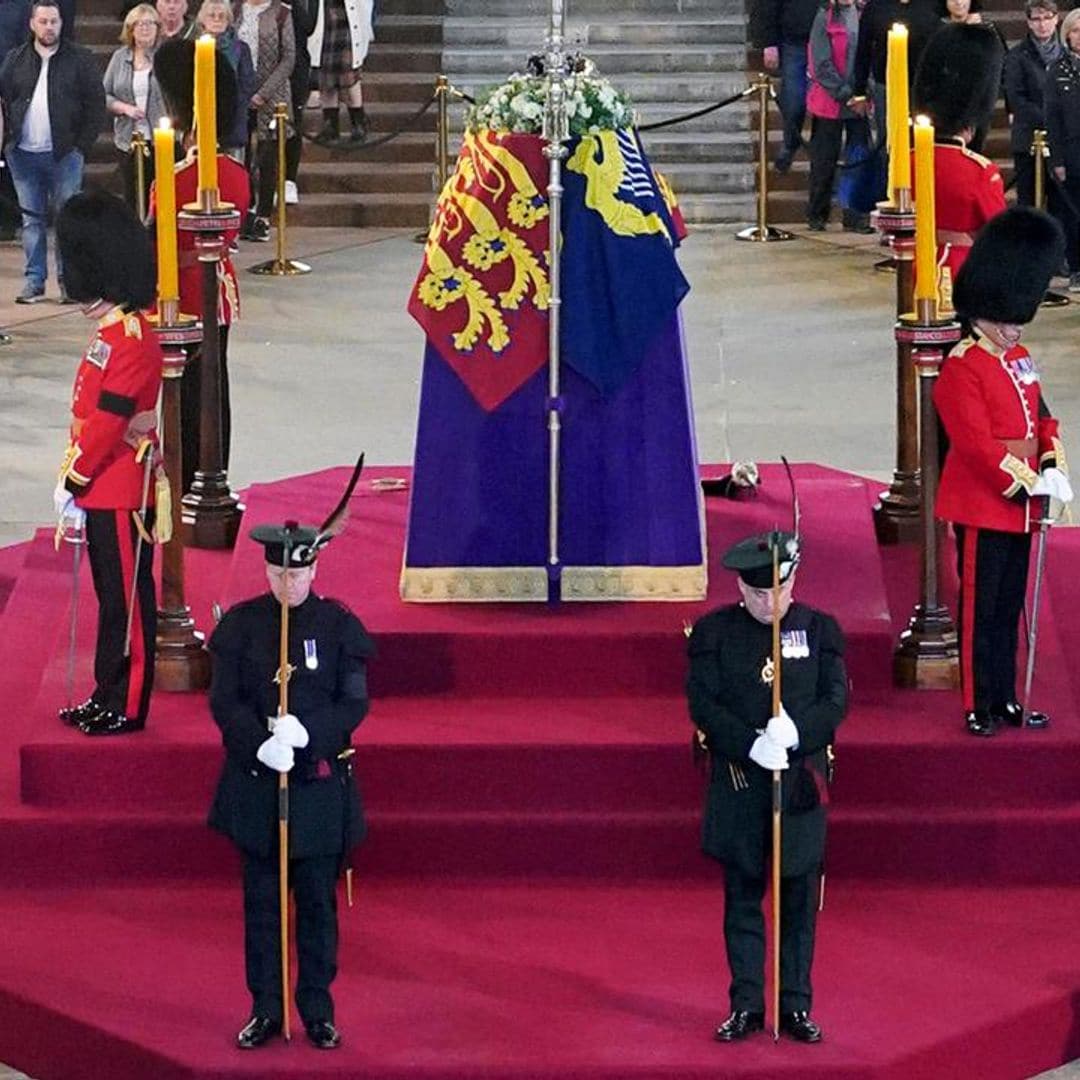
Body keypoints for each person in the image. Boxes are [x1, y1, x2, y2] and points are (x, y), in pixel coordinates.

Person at [208, 519, 375, 1050]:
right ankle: (265, 1007)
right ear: (267, 570)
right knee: (262, 907)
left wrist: (312, 734)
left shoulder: (337, 626)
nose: (289, 585)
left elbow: (354, 702)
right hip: (259, 787)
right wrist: (258, 741)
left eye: (298, 574)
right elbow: (224, 701)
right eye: (280, 574)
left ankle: (318, 1010)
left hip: (317, 793)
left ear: (313, 569)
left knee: (318, 910)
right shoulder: (240, 627)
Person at [686, 531, 846, 1044]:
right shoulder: (713, 634)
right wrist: (749, 743)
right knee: (742, 899)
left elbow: (836, 699)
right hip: (740, 782)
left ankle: (795, 1003)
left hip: (798, 786)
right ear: (740, 588)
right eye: (756, 595)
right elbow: (704, 705)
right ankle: (747, 1004)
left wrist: (798, 732)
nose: (767, 603)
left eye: (776, 593)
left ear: (792, 583)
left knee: (799, 902)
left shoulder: (820, 631)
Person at [935, 207, 1072, 737]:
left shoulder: (1018, 357)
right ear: (984, 312)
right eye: (1010, 317)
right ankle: (977, 702)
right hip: (984, 503)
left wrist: (1052, 463)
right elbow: (974, 445)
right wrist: (1026, 481)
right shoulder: (962, 365)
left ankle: (1006, 696)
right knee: (978, 613)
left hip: (1021, 509)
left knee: (1008, 608)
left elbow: (1042, 416)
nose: (1017, 325)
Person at [53, 191, 164, 736]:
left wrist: (76, 478)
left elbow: (109, 422)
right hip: (103, 485)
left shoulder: (134, 338)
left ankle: (130, 699)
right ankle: (107, 691)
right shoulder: (113, 332)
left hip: (120, 486)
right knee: (109, 599)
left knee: (128, 603)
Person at [151, 38, 249, 491]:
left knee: (183, 394)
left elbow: (156, 242)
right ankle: (216, 473)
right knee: (217, 389)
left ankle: (186, 475)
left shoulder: (172, 181)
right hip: (220, 293)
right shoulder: (237, 175)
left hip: (180, 292)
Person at [0, 0, 105, 304]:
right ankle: (34, 282)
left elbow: (95, 105)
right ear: (32, 24)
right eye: (43, 21)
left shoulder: (80, 59)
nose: (48, 27)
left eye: (53, 21)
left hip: (64, 155)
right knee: (32, 222)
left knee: (66, 221)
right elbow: (4, 101)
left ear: (62, 23)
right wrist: (7, 141)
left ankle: (68, 283)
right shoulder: (14, 60)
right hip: (23, 154)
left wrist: (80, 146)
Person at [911, 22, 1006, 311]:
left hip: (918, 263)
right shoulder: (979, 170)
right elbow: (995, 233)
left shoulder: (910, 159)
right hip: (963, 270)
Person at [805, 0, 871, 232]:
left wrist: (862, 91)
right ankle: (817, 213)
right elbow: (820, 64)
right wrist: (845, 93)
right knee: (824, 159)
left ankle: (855, 214)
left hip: (860, 100)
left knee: (858, 158)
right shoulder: (824, 17)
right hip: (830, 99)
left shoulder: (865, 15)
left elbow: (871, 54)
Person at [235, 0, 295, 242]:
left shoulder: (281, 13)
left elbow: (288, 59)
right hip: (241, 92)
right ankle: (245, 209)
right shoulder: (235, 9)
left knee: (268, 157)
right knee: (243, 154)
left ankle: (263, 215)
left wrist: (263, 93)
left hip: (272, 94)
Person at [103, 3, 167, 216]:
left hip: (162, 139)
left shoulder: (165, 56)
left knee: (160, 196)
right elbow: (104, 94)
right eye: (139, 24)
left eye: (150, 23)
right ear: (130, 29)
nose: (145, 28)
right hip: (128, 138)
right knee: (133, 195)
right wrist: (124, 108)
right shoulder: (119, 58)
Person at [1004, 0, 1062, 208]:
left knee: (1061, 203)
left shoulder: (1067, 54)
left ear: (1056, 19)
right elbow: (1016, 97)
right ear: (1028, 23)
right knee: (1028, 202)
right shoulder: (1017, 55)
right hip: (1028, 139)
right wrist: (1050, 119)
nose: (1042, 24)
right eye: (1036, 19)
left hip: (1062, 143)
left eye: (1047, 18)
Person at [750, 0, 819, 172]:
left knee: (823, 111)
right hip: (794, 41)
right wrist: (768, 42)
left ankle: (821, 164)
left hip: (828, 41)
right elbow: (766, 5)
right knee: (795, 103)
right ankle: (790, 143)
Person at [1044, 7, 1080, 292]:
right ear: (1066, 34)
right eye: (1076, 30)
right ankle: (1077, 268)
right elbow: (1052, 118)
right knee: (1074, 215)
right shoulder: (1057, 70)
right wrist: (1057, 159)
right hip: (1071, 151)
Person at [195, 0, 255, 158]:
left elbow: (247, 85)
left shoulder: (241, 49)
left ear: (229, 20)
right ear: (203, 20)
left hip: (232, 123)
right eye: (212, 16)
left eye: (222, 16)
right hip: (201, 124)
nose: (216, 19)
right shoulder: (193, 48)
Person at [310, 0, 372, 145]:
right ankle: (330, 126)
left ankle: (358, 123)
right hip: (324, 18)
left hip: (349, 19)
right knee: (325, 74)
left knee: (349, 73)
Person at [284, 0, 317, 202]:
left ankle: (289, 179)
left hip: (296, 66)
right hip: (264, 64)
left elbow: (308, 26)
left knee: (293, 122)